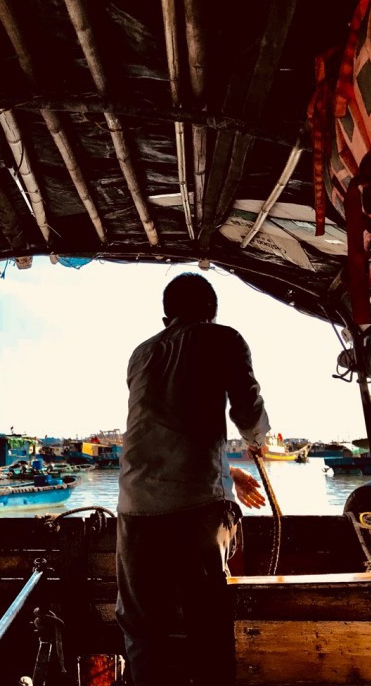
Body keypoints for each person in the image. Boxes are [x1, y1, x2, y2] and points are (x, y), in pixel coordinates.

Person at [116, 273, 270, 686]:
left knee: (142, 630)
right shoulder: (223, 338)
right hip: (196, 507)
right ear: (211, 313)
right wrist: (257, 442)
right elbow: (247, 407)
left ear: (166, 317)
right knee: (208, 625)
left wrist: (229, 471)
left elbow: (164, 431)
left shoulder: (141, 354)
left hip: (134, 507)